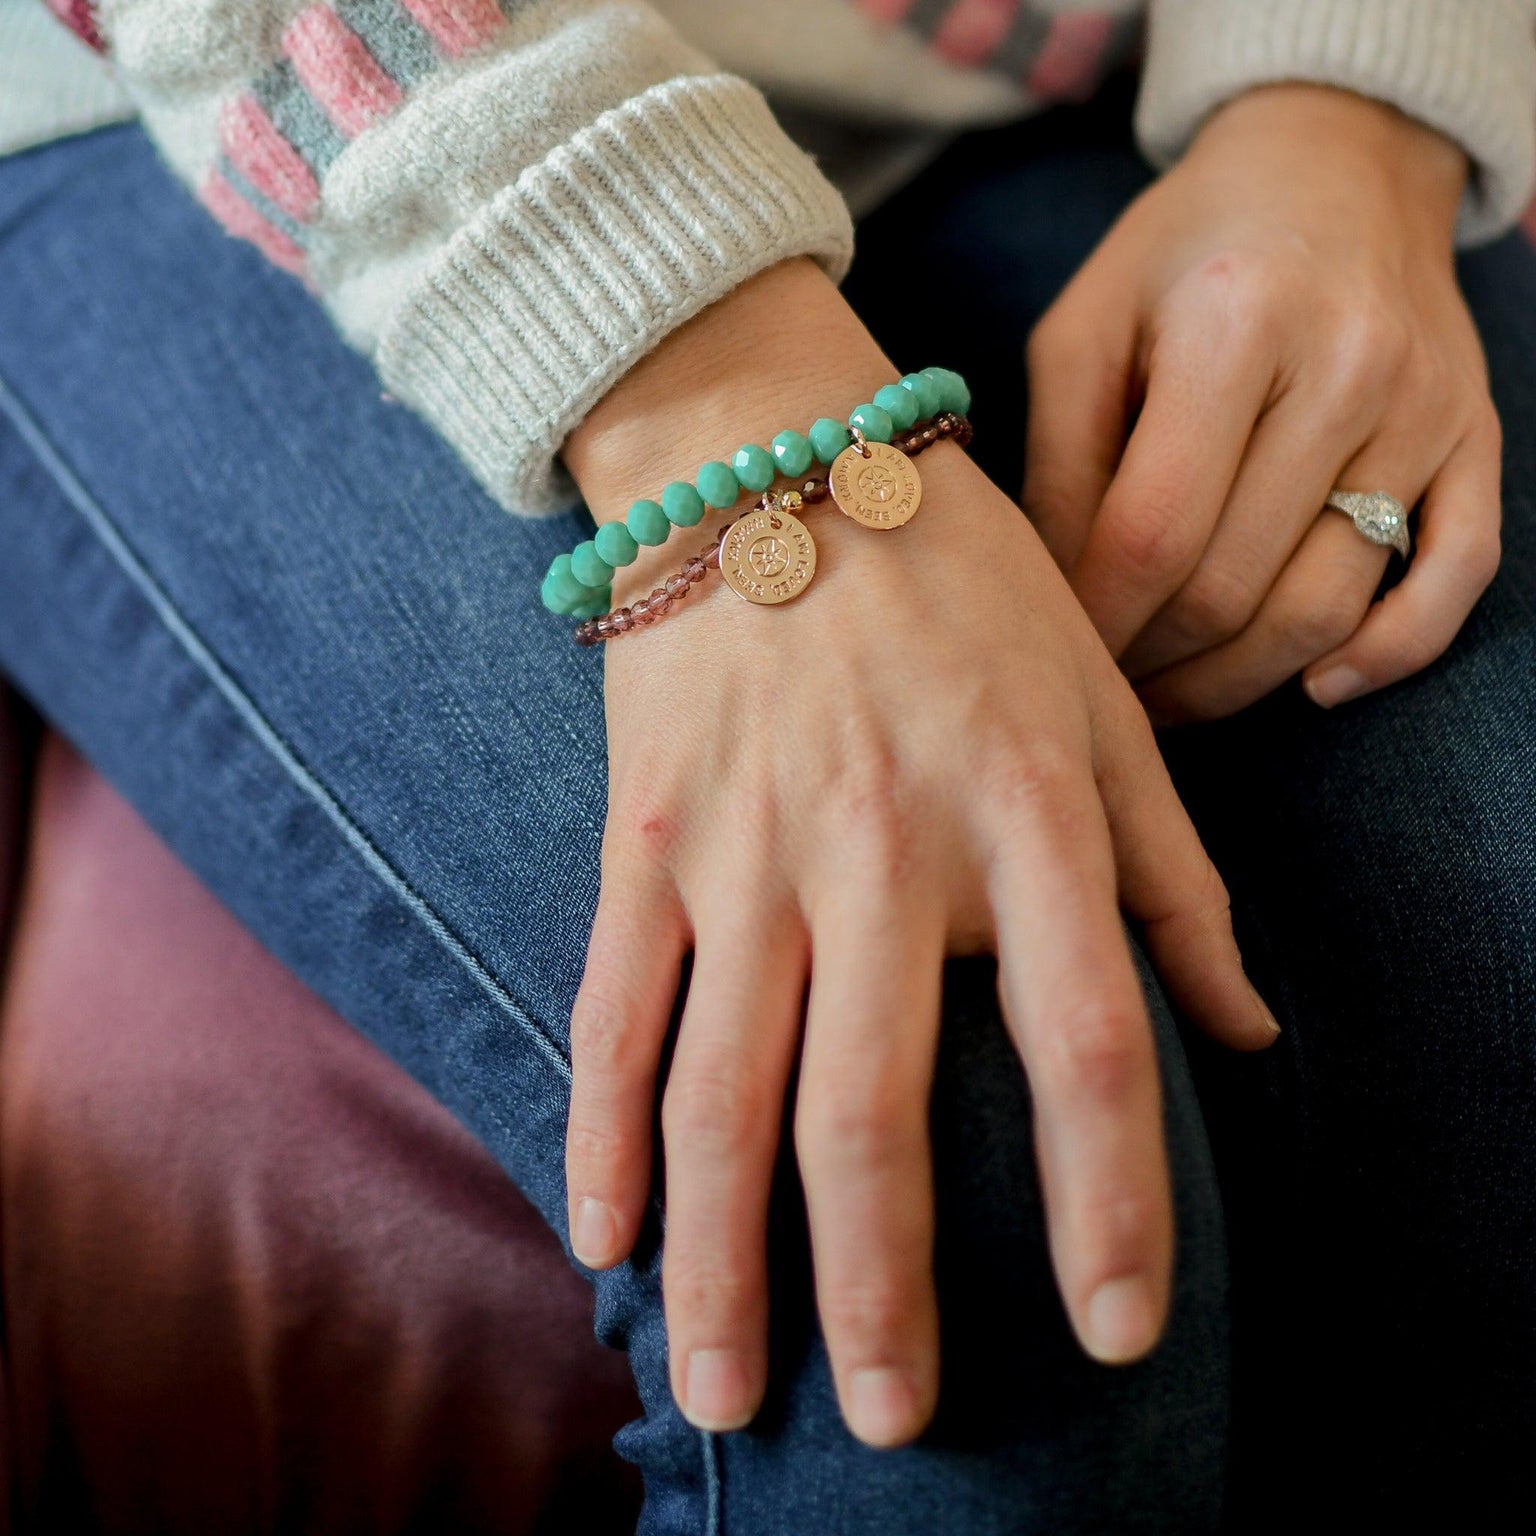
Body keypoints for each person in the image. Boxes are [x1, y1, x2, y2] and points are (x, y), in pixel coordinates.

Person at [1, 0, 1532, 1529]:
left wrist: (1350, 109)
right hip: (245, 105)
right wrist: (706, 392)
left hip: (1044, 63)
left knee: (1498, 978)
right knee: (945, 1205)